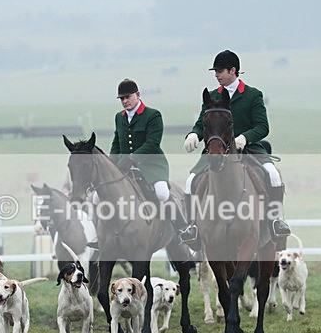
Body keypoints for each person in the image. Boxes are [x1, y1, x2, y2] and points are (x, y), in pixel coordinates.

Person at [182, 50, 290, 238]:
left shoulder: (252, 95)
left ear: (233, 70)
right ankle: (193, 226)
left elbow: (262, 127)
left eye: (220, 71)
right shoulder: (213, 95)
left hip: (248, 149)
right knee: (190, 181)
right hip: (216, 150)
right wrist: (194, 134)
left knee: (273, 175)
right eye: (215, 71)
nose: (216, 75)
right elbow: (202, 123)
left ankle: (275, 220)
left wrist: (244, 138)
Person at [91, 78, 195, 248]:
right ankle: (100, 235)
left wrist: (131, 159)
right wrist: (111, 166)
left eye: (128, 97)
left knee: (162, 193)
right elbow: (117, 144)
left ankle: (183, 229)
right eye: (122, 99)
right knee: (96, 197)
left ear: (138, 95)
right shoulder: (119, 117)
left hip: (151, 166)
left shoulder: (153, 115)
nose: (125, 101)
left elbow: (152, 143)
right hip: (123, 166)